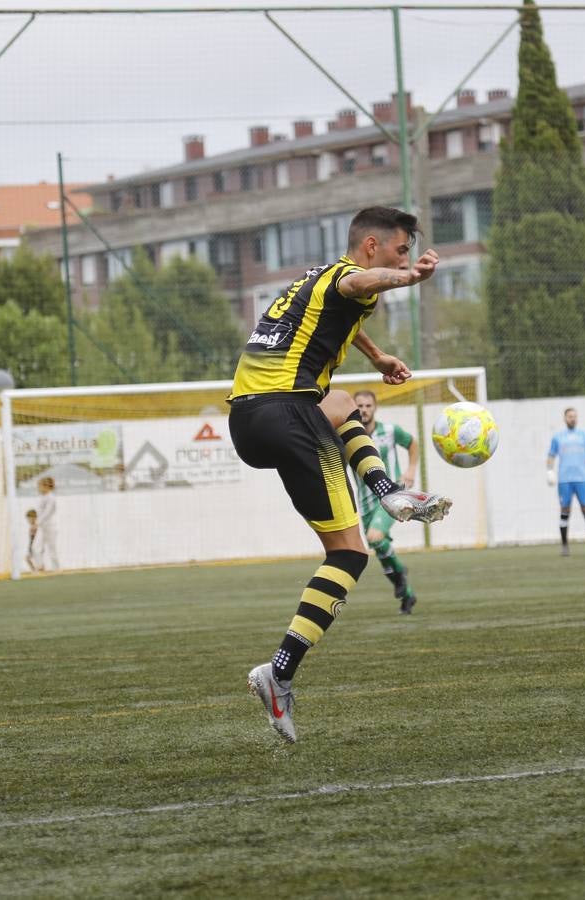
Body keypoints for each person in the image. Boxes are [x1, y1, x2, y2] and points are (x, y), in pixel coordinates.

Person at [229, 205, 452, 743]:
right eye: (400, 249)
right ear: (372, 245)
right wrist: (408, 277)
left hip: (249, 417)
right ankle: (277, 674)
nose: (403, 257)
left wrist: (375, 355)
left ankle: (388, 491)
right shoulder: (354, 276)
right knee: (351, 554)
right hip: (287, 412)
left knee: (342, 398)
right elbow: (362, 283)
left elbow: (344, 318)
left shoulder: (315, 280)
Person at [351, 389, 421, 614]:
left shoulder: (390, 431)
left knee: (374, 537)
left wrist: (410, 470)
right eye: (359, 406)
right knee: (378, 548)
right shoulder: (349, 439)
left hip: (391, 496)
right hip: (365, 502)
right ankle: (407, 594)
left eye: (368, 405)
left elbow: (412, 443)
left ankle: (400, 573)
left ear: (375, 408)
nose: (364, 409)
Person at [546, 407, 585, 556]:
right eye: (570, 416)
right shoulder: (558, 437)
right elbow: (551, 456)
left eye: (574, 416)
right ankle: (564, 546)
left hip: (582, 479)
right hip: (565, 480)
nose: (572, 419)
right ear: (565, 419)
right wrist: (549, 470)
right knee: (565, 511)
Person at [35, 476, 59, 571]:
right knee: (36, 547)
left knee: (52, 548)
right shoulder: (43, 497)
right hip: (42, 526)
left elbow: (47, 512)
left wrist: (37, 522)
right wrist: (36, 522)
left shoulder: (51, 497)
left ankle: (56, 569)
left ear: (46, 487)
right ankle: (40, 566)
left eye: (40, 486)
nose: (38, 488)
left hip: (50, 526)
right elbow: (40, 512)